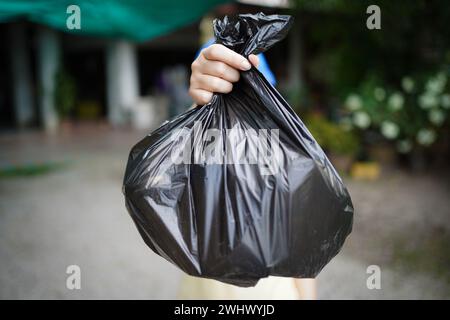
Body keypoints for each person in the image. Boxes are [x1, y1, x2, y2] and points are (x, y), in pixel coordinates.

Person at [179, 42, 317, 300]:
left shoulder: (280, 149)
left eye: (251, 96)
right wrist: (201, 98)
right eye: (229, 97)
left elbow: (298, 237)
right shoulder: (199, 145)